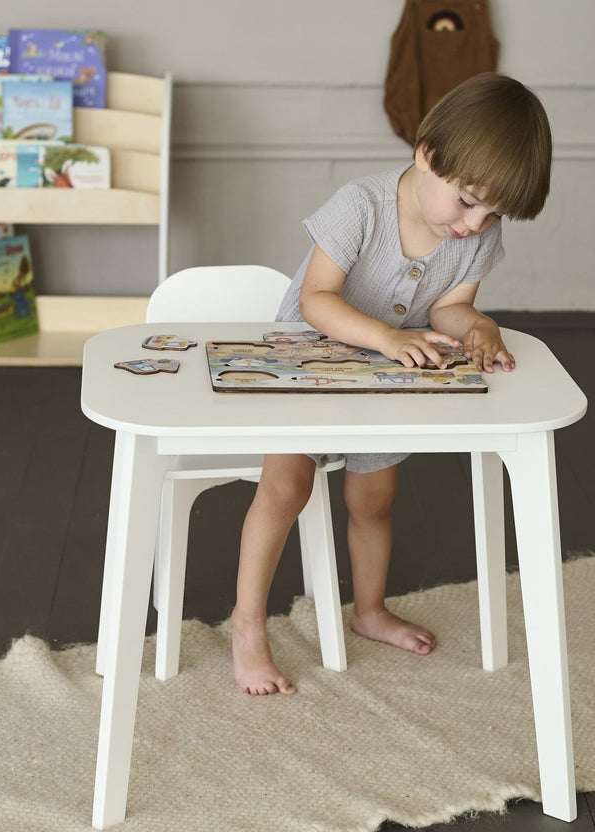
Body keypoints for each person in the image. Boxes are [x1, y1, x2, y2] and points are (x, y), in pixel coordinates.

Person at [231, 73, 552, 695]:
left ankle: (370, 610)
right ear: (426, 155)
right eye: (467, 202)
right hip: (308, 362)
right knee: (287, 486)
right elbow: (316, 299)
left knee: (375, 499)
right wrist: (384, 336)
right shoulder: (361, 206)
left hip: (385, 376)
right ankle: (247, 624)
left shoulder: (474, 236)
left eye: (493, 214)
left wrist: (479, 327)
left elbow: (449, 308)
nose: (476, 224)